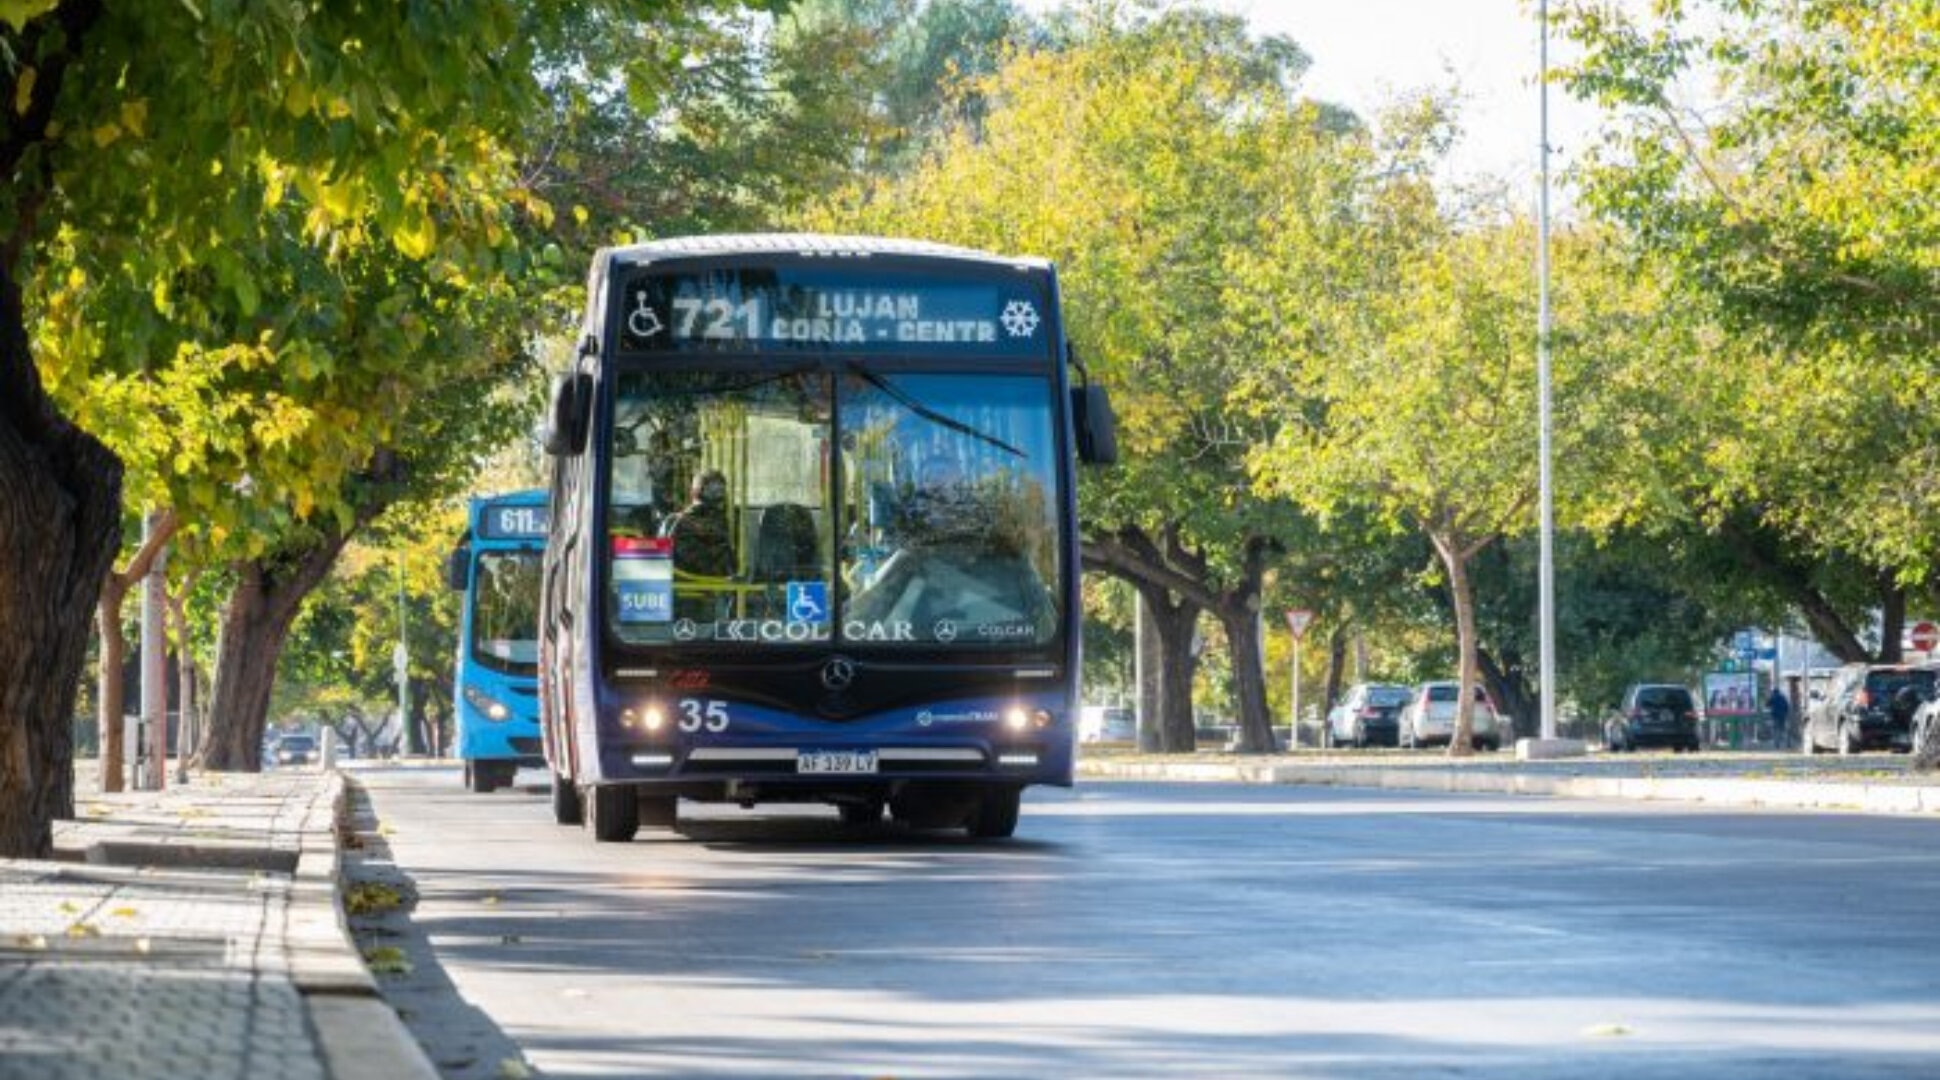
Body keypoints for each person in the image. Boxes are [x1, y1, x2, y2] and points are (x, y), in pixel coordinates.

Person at [662, 469, 736, 578]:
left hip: (678, 580)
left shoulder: (672, 520)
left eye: (719, 490)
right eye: (713, 490)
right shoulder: (720, 523)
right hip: (711, 581)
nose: (718, 495)